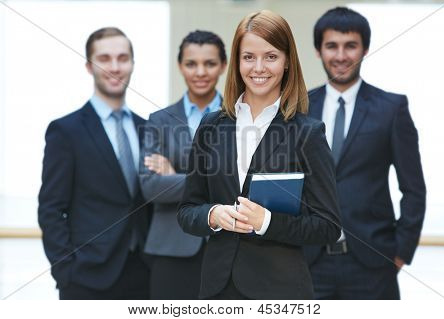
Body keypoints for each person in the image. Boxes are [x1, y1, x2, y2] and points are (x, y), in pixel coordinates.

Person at [177, 10, 341, 300]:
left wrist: (266, 221)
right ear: (237, 62)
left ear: (288, 61)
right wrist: (213, 214)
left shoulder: (308, 132)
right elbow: (188, 210)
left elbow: (327, 226)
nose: (259, 67)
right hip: (217, 290)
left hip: (279, 291)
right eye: (248, 57)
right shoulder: (211, 126)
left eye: (271, 56)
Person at [304, 7, 426, 299]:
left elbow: (414, 189)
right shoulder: (299, 108)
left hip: (374, 263)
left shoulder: (391, 109)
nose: (341, 55)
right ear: (319, 51)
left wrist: (401, 252)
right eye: (332, 46)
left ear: (365, 49)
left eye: (351, 46)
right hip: (309, 262)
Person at [38, 27, 151, 299]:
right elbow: (51, 208)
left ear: (132, 64)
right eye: (105, 58)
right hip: (86, 278)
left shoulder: (148, 128)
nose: (115, 66)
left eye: (123, 58)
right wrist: (65, 272)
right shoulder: (66, 131)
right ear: (89, 66)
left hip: (143, 275)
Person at [139, 30, 227, 299]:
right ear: (180, 66)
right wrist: (214, 178)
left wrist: (176, 175)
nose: (200, 72)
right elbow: (151, 187)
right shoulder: (159, 120)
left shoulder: (240, 116)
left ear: (223, 66)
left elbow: (245, 182)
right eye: (191, 63)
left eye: (209, 63)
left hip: (228, 247)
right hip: (171, 249)